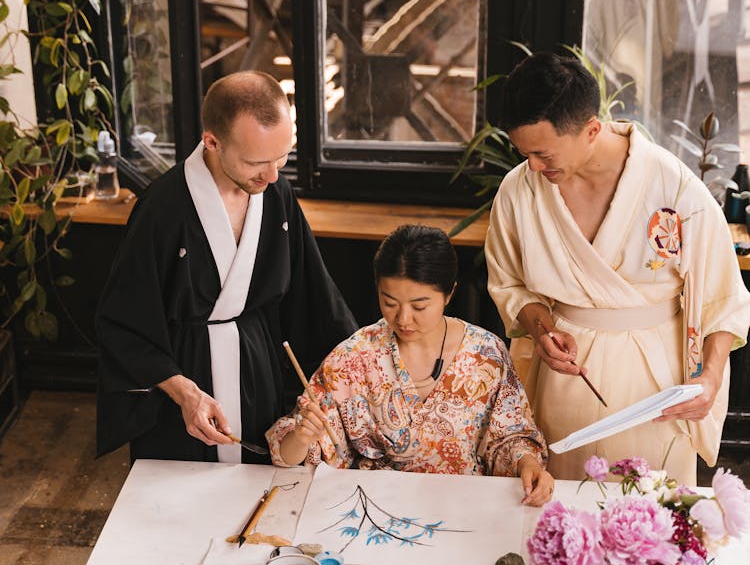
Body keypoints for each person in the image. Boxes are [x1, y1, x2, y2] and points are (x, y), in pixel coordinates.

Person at [485, 51, 750, 485]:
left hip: (654, 389)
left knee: (649, 521)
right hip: (563, 383)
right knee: (560, 521)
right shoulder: (519, 190)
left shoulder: (675, 187)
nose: (532, 166)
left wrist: (711, 377)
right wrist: (541, 327)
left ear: (592, 129)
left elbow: (725, 298)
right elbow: (510, 284)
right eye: (524, 153)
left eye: (543, 154)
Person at [96, 71, 357, 464]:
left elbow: (314, 295)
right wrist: (185, 393)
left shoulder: (276, 194)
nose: (272, 176)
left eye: (281, 158)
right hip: (184, 380)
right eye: (256, 162)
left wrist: (361, 362)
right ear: (212, 142)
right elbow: (121, 323)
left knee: (259, 497)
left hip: (258, 370)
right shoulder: (162, 209)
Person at [266, 224, 553, 505]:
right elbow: (290, 454)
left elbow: (511, 437)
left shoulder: (486, 353)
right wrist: (301, 438)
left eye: (419, 306)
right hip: (373, 509)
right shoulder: (353, 357)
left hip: (463, 508)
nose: (403, 319)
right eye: (389, 302)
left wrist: (528, 465)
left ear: (449, 294)